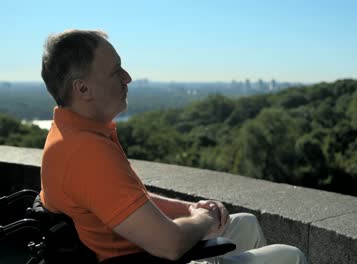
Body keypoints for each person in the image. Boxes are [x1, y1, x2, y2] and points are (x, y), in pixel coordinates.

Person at [40, 29, 308, 264]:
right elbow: (170, 245)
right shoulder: (86, 154)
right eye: (115, 71)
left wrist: (189, 209)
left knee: (245, 223)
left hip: (141, 250)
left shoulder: (69, 134)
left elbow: (126, 201)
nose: (127, 77)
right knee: (289, 255)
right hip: (149, 257)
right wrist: (204, 220)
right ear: (83, 89)